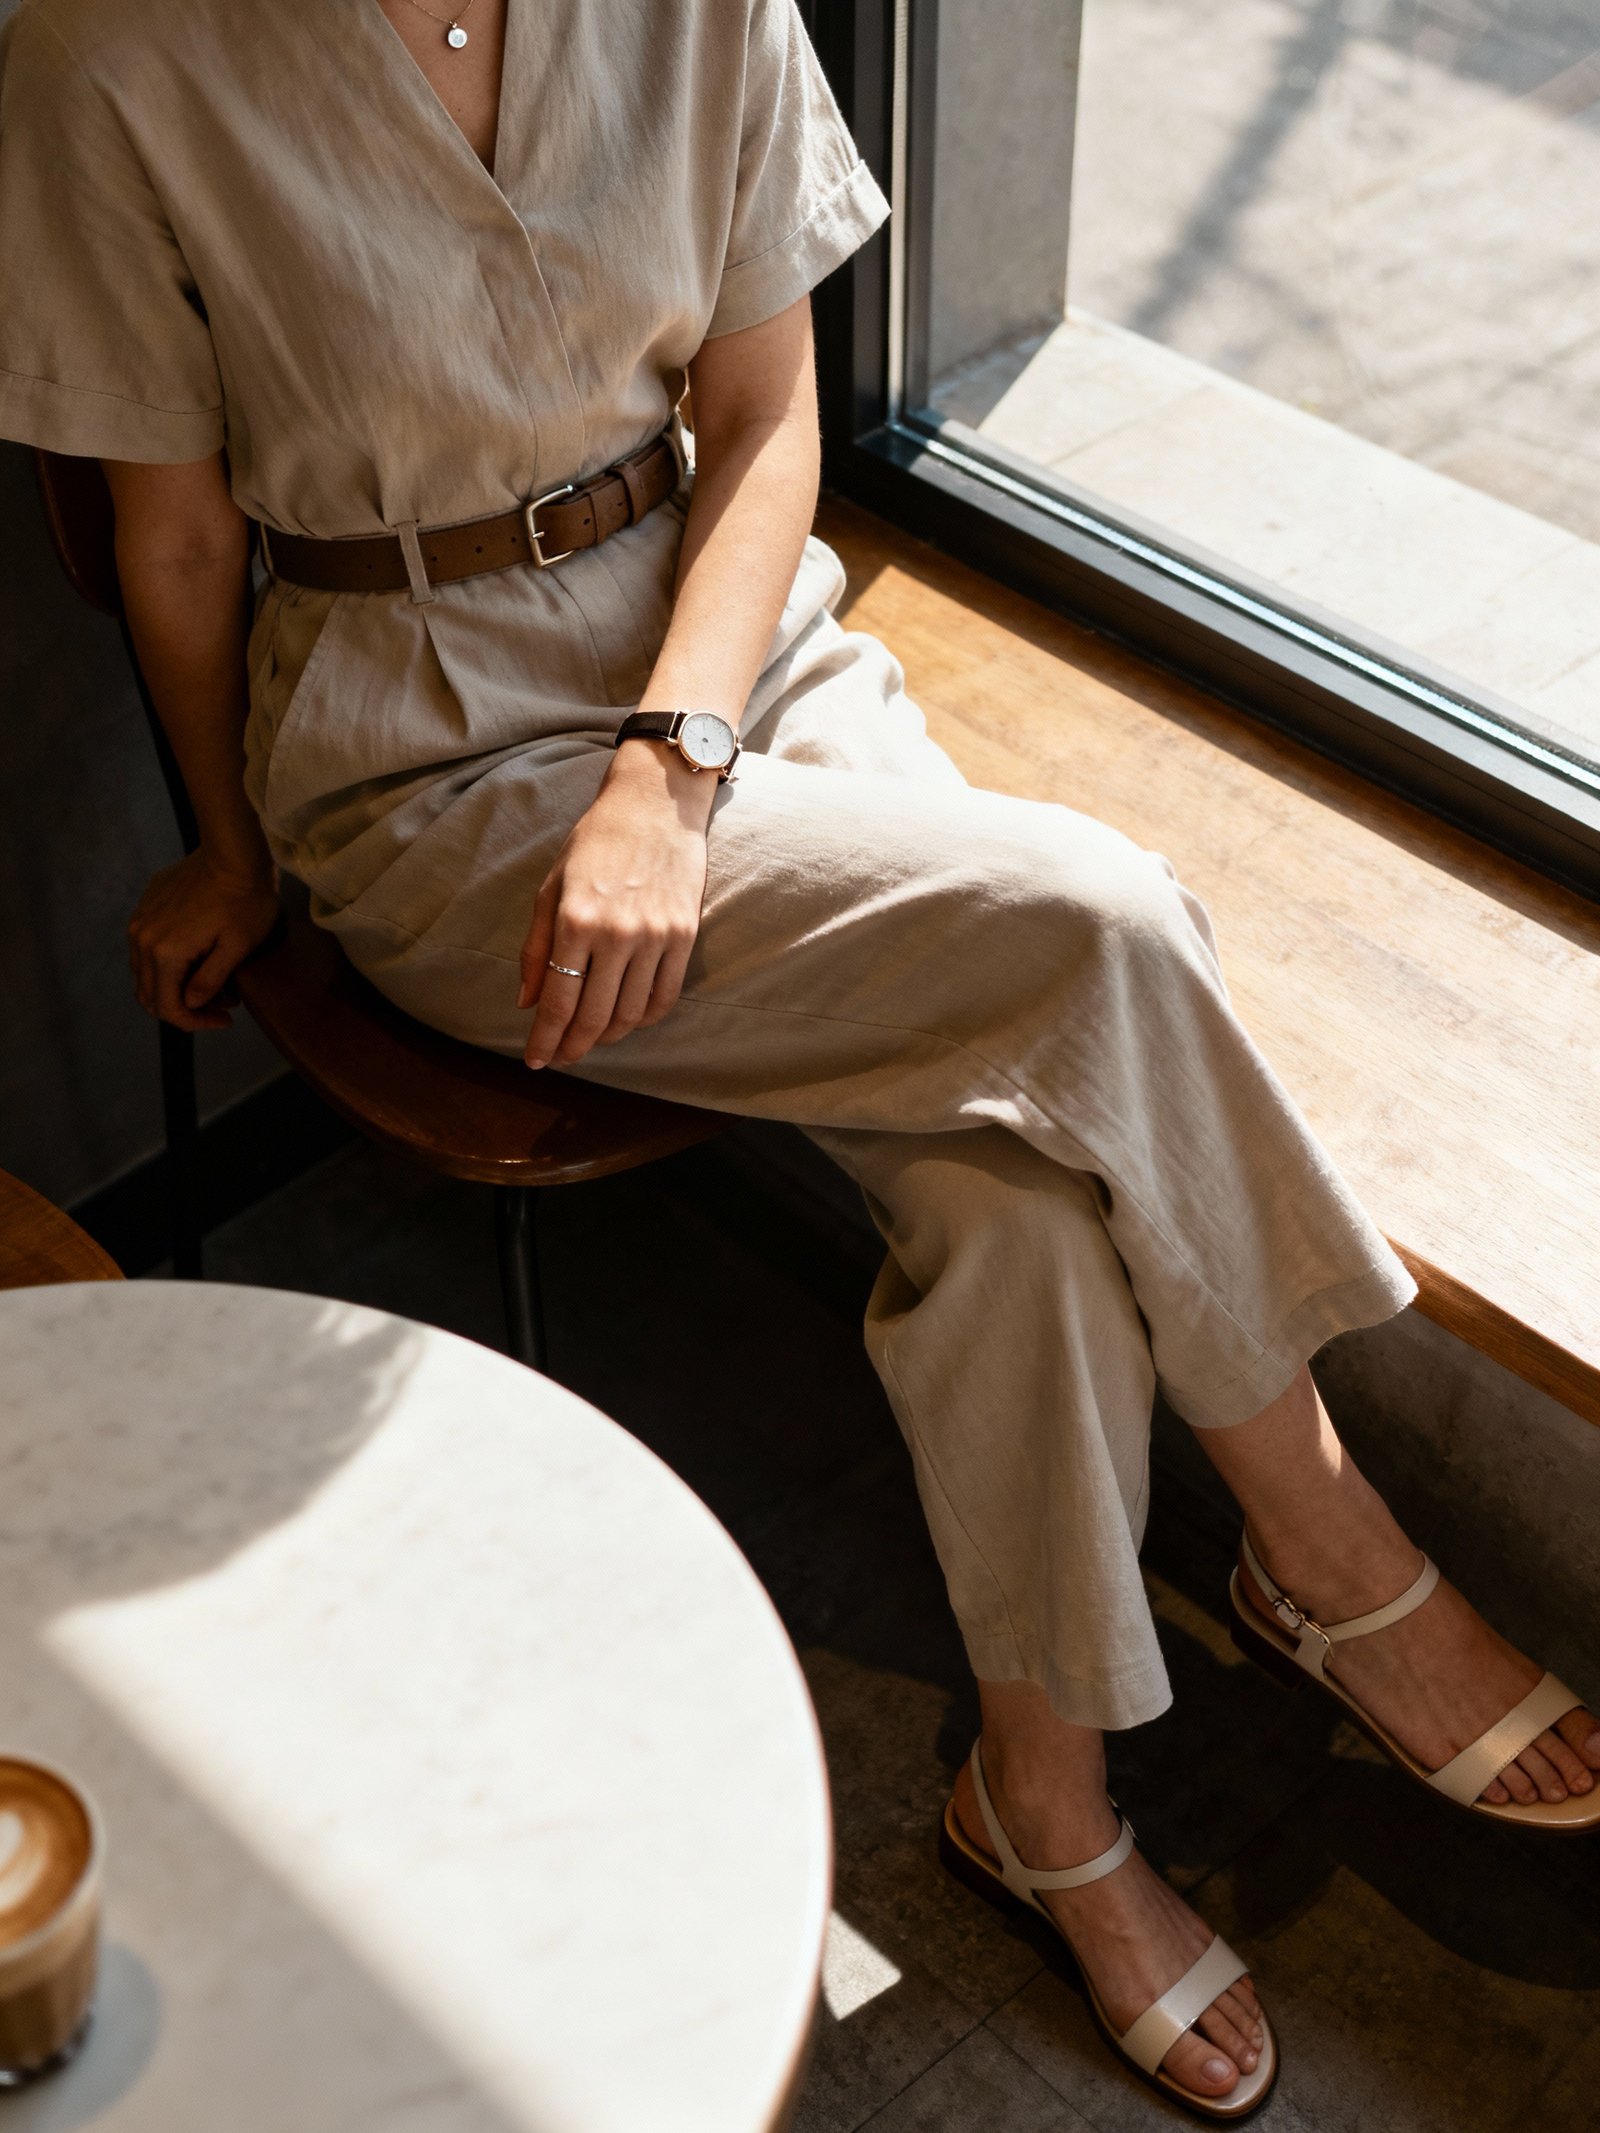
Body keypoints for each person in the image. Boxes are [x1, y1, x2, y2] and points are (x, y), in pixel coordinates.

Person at [3, 0, 1595, 2114]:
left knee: (1015, 1180)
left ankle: (1042, 1803)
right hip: (423, 764)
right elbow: (176, 539)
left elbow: (760, 418)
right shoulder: (110, 56)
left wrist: (676, 757)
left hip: (737, 669)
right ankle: (1322, 1537)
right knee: (1101, 924)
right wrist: (227, 844)